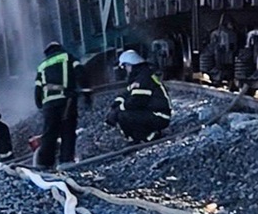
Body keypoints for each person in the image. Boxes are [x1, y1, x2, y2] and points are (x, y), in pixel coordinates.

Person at [34, 41, 92, 169]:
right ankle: (66, 161)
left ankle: (44, 163)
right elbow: (80, 74)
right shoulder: (67, 57)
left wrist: (39, 104)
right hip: (66, 100)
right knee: (67, 130)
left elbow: (38, 88)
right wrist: (87, 93)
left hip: (48, 104)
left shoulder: (42, 65)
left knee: (49, 132)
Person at [106, 49, 172, 142]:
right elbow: (126, 93)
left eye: (125, 66)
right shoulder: (140, 76)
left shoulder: (143, 78)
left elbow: (137, 101)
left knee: (124, 115)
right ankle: (136, 138)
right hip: (154, 113)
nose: (125, 69)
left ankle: (150, 136)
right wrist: (115, 105)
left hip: (159, 115)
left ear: (130, 64)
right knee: (123, 113)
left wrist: (117, 111)